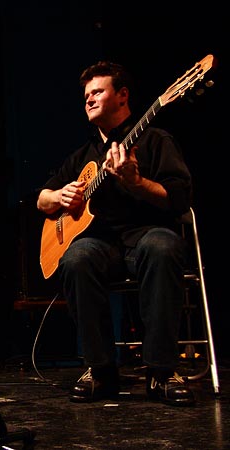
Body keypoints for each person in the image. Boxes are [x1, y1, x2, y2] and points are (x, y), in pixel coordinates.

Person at [36, 60, 195, 406]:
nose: (89, 100)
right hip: (104, 246)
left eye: (98, 92)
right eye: (86, 95)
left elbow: (180, 198)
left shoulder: (155, 140)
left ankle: (162, 372)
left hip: (147, 237)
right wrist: (58, 195)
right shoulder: (83, 155)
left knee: (164, 245)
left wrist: (137, 183)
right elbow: (42, 199)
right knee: (76, 257)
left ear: (122, 96)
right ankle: (101, 369)